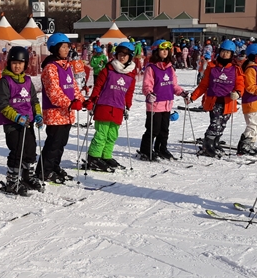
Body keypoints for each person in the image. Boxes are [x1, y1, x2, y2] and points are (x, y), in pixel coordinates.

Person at [36, 33, 85, 184]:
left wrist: (82, 101)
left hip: (67, 114)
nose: (66, 50)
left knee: (61, 144)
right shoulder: (50, 68)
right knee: (53, 144)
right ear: (54, 48)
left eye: (67, 47)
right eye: (63, 47)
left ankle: (54, 167)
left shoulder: (67, 66)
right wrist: (70, 103)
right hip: (55, 113)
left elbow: (73, 87)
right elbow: (54, 92)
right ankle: (44, 171)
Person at [0, 46, 44, 196]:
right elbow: (3, 105)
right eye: (14, 63)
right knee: (17, 150)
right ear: (9, 63)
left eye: (20, 63)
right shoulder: (5, 82)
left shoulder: (28, 81)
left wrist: (38, 115)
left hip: (28, 123)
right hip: (13, 124)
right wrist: (17, 117)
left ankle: (27, 176)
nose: (17, 66)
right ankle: (12, 181)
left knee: (30, 150)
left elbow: (34, 101)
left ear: (25, 64)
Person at [83, 42, 137, 171]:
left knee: (112, 134)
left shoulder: (131, 75)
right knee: (102, 133)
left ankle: (106, 156)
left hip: (118, 107)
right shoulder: (108, 70)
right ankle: (94, 157)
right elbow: (98, 87)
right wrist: (92, 100)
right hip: (104, 105)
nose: (122, 57)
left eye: (125, 55)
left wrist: (127, 105)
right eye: (120, 54)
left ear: (130, 57)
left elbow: (129, 92)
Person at [189, 39, 245, 158]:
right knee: (215, 124)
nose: (225, 54)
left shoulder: (235, 69)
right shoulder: (212, 67)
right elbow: (203, 85)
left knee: (222, 124)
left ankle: (215, 142)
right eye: (223, 51)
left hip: (228, 102)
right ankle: (207, 145)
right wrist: (193, 97)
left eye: (228, 52)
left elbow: (240, 84)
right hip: (214, 101)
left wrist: (238, 93)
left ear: (231, 54)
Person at [138, 40, 188, 161]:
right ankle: (145, 150)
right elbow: (147, 86)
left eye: (167, 50)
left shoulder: (170, 68)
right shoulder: (151, 68)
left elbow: (173, 85)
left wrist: (181, 92)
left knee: (164, 130)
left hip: (167, 103)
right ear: (156, 51)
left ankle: (161, 148)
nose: (165, 52)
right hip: (155, 104)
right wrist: (149, 94)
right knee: (153, 129)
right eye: (162, 50)